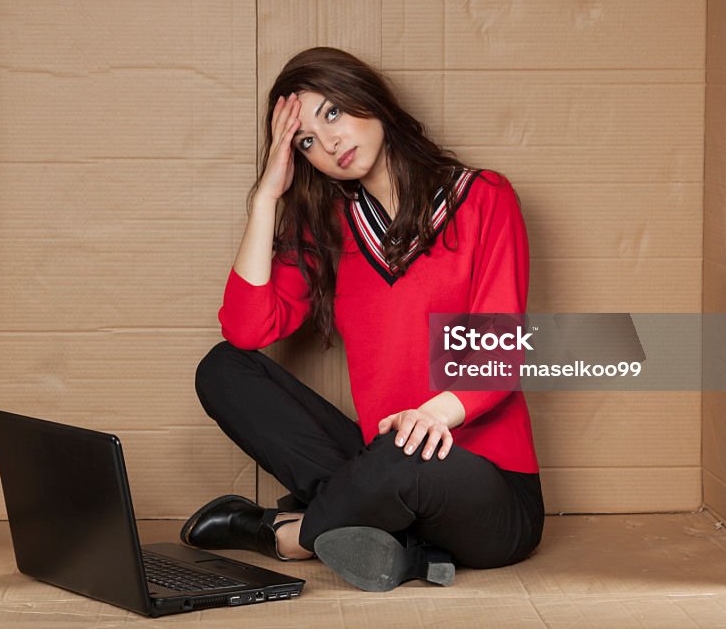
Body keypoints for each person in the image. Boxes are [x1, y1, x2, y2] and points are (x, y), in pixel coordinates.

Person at [180, 47, 544, 592]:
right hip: (380, 464)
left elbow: (499, 346)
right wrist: (266, 198)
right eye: (305, 141)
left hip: (487, 490)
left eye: (332, 113)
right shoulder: (329, 228)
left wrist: (433, 417)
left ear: (367, 97)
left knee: (404, 457)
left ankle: (288, 535)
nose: (328, 143)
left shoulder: (484, 198)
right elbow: (247, 329)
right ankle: (394, 540)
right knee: (222, 369)